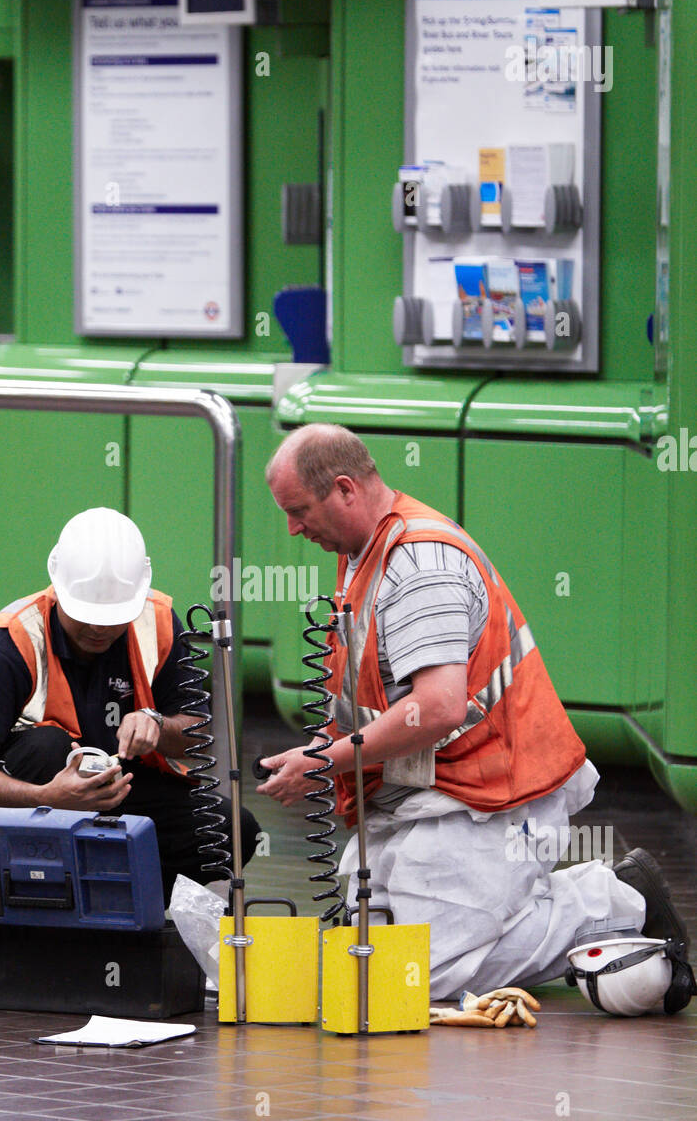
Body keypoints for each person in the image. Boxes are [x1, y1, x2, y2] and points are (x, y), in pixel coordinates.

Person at [258, 424, 690, 1004]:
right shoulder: (367, 552)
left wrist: (327, 760)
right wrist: (322, 750)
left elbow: (437, 708)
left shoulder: (418, 565)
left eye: (298, 510)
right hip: (427, 791)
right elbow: (381, 694)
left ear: (344, 489)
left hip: (491, 794)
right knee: (373, 956)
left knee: (423, 973)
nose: (292, 527)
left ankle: (612, 900)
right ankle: (521, 911)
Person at [0, 507, 259, 897]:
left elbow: (197, 733)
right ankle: (38, 898)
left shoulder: (157, 621)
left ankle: (123, 899)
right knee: (47, 747)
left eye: (113, 616)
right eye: (86, 615)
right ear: (59, 592)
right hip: (36, 798)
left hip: (119, 788)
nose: (99, 628)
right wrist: (47, 798)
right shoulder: (10, 642)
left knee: (230, 829)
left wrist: (156, 725)